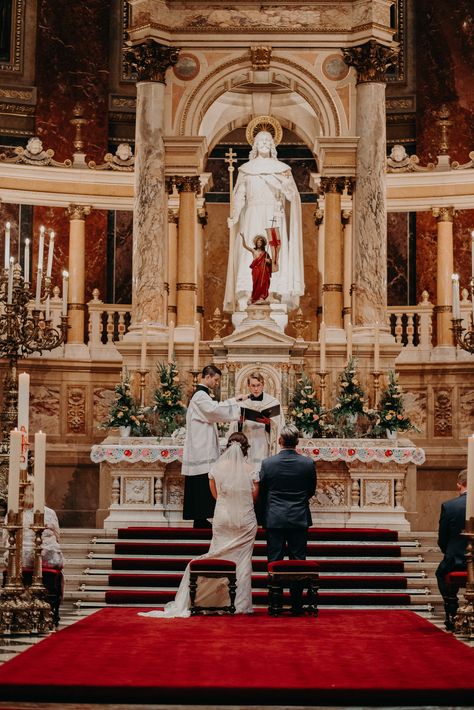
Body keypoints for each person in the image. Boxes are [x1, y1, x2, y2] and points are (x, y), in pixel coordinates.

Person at [139, 432, 259, 618]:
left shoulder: (216, 468)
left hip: (223, 517)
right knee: (242, 561)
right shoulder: (251, 469)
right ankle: (240, 604)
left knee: (218, 555)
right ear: (246, 449)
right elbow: (253, 497)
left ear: (227, 447)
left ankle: (213, 599)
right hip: (245, 519)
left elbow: (216, 495)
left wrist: (227, 504)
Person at [224, 129, 304, 313]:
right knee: (251, 251)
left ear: (273, 145)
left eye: (268, 140)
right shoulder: (246, 170)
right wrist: (234, 216)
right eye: (261, 140)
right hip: (252, 215)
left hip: (274, 216)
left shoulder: (283, 170)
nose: (265, 143)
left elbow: (292, 196)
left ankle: (272, 292)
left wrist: (285, 186)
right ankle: (249, 291)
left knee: (273, 251)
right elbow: (240, 196)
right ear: (255, 145)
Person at [259, 424, 316, 614]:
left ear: (280, 441)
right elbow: (311, 490)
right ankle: (297, 605)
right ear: (297, 442)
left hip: (275, 517)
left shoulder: (268, 464)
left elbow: (264, 491)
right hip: (299, 516)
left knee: (274, 559)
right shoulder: (308, 463)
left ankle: (274, 604)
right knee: (298, 559)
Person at [182, 364, 247, 528]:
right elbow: (214, 411)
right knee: (202, 480)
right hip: (200, 447)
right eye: (216, 379)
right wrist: (236, 405)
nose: (217, 383)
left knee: (203, 480)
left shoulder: (202, 395)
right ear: (208, 377)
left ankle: (201, 517)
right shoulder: (200, 395)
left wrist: (234, 400)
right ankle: (199, 518)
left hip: (202, 443)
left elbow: (214, 408)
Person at [229, 371, 284, 474]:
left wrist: (268, 423)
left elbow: (279, 426)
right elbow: (234, 427)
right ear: (248, 386)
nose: (256, 389)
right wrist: (240, 422)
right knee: (247, 472)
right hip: (247, 441)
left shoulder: (273, 402)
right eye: (253, 386)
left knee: (261, 471)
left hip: (263, 442)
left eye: (258, 385)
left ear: (263, 385)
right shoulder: (242, 403)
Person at [2, 482, 64, 570]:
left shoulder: (12, 514)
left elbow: (5, 540)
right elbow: (57, 537)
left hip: (17, 560)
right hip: (48, 560)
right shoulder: (49, 513)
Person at [435, 469, 467, 631]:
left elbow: (443, 539)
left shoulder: (449, 506)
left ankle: (451, 607)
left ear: (459, 485)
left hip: (456, 560)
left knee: (441, 573)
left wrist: (450, 552)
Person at [240, 233, 274, 304]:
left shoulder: (265, 253)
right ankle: (254, 297)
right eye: (258, 242)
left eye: (260, 242)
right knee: (255, 283)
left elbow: (270, 261)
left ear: (263, 243)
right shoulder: (254, 251)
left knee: (264, 283)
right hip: (256, 270)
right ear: (256, 243)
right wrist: (243, 237)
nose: (259, 243)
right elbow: (245, 246)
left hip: (263, 271)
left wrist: (268, 261)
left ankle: (262, 296)